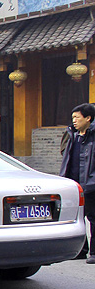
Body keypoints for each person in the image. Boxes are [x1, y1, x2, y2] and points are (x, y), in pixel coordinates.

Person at [59, 103, 95, 263]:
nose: (74, 121)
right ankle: (82, 250)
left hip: (91, 184)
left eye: (77, 117)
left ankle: (94, 252)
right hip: (74, 184)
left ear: (88, 118)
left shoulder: (93, 136)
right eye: (73, 117)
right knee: (78, 217)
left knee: (93, 218)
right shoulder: (73, 135)